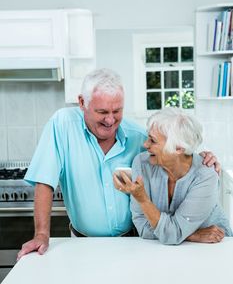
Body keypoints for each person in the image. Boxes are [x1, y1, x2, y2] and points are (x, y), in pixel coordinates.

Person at [18, 69, 220, 259]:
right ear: (82, 103)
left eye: (117, 111)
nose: (110, 120)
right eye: (102, 111)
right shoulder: (62, 125)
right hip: (82, 243)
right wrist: (42, 234)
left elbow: (171, 152)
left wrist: (198, 158)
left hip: (135, 242)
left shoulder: (137, 137)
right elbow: (45, 181)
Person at [113, 108, 232, 244]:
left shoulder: (205, 175)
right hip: (167, 249)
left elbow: (169, 232)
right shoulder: (141, 163)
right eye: (148, 137)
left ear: (179, 148)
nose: (145, 144)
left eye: (153, 140)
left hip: (214, 247)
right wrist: (191, 235)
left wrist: (143, 200)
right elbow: (143, 226)